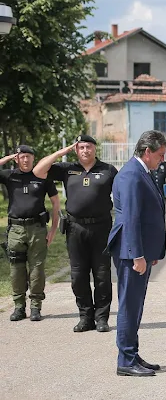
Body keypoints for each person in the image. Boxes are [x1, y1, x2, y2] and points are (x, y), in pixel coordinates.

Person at [33, 134, 119, 333]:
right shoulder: (67, 169)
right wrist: (62, 152)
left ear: (94, 149)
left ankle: (101, 318)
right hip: (75, 228)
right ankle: (85, 318)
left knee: (102, 274)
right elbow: (38, 170)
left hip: (101, 228)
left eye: (88, 147)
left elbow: (122, 193)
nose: (85, 151)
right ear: (76, 150)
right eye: (81, 147)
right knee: (78, 276)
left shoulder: (108, 170)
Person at [107, 130, 166, 377]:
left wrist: (149, 251)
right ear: (147, 152)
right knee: (129, 305)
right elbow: (131, 218)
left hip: (138, 249)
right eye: (160, 155)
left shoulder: (142, 171)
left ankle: (132, 353)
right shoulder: (132, 175)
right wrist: (137, 255)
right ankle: (125, 360)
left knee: (136, 304)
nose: (162, 160)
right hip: (129, 250)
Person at [0, 146, 60, 321]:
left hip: (37, 229)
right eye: (22, 157)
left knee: (37, 269)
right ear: (17, 159)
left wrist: (54, 230)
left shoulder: (42, 176)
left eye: (29, 157)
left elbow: (56, 203)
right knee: (16, 270)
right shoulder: (10, 175)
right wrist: (10, 156)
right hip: (15, 230)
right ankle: (19, 307)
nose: (25, 160)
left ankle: (35, 307)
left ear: (34, 158)